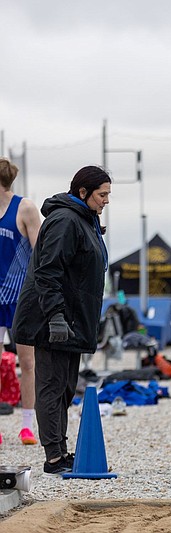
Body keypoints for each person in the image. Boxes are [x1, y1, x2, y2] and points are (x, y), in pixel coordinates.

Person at [11, 166, 111, 476]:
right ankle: (53, 456)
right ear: (83, 192)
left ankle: (61, 450)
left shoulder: (84, 219)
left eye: (108, 195)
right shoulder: (65, 220)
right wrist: (55, 316)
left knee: (67, 386)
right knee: (52, 385)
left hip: (72, 317)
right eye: (102, 194)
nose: (107, 201)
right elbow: (47, 270)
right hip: (52, 318)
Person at [0, 158, 41, 446]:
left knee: (27, 361)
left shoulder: (24, 207)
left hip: (21, 296)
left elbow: (41, 251)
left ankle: (27, 425)